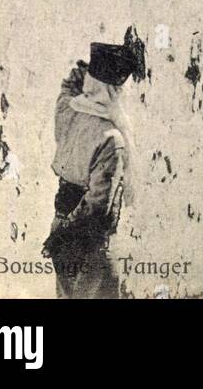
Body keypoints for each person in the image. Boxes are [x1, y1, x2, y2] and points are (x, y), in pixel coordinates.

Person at [42, 31, 143, 299]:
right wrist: (66, 236)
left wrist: (59, 235)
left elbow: (68, 86)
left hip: (60, 224)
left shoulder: (69, 111)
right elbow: (98, 206)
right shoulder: (112, 138)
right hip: (88, 240)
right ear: (116, 91)